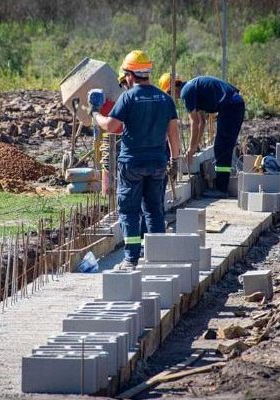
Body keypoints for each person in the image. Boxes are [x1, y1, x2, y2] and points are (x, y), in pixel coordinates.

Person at [90, 50, 181, 269]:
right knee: (154, 209)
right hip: (158, 163)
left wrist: (95, 114)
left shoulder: (128, 98)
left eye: (126, 77)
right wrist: (175, 160)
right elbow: (173, 134)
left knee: (130, 211)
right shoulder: (165, 99)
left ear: (130, 75)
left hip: (132, 164)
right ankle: (158, 256)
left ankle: (131, 258)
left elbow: (111, 127)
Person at [159, 73, 245, 194]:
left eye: (169, 93)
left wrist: (190, 149)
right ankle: (222, 186)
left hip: (230, 106)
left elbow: (194, 123)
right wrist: (194, 147)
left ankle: (221, 188)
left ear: (173, 88)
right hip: (233, 104)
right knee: (223, 146)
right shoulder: (192, 88)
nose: (173, 97)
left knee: (222, 147)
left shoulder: (186, 92)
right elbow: (202, 122)